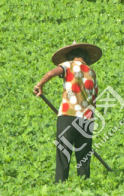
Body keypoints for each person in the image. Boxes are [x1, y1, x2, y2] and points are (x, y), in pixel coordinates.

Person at [33, 42, 102, 182]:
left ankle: (60, 184)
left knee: (63, 153)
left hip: (68, 115)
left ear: (71, 56)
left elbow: (51, 73)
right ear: (85, 56)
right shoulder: (91, 72)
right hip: (87, 119)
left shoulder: (68, 65)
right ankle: (84, 184)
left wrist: (40, 85)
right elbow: (94, 98)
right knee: (84, 156)